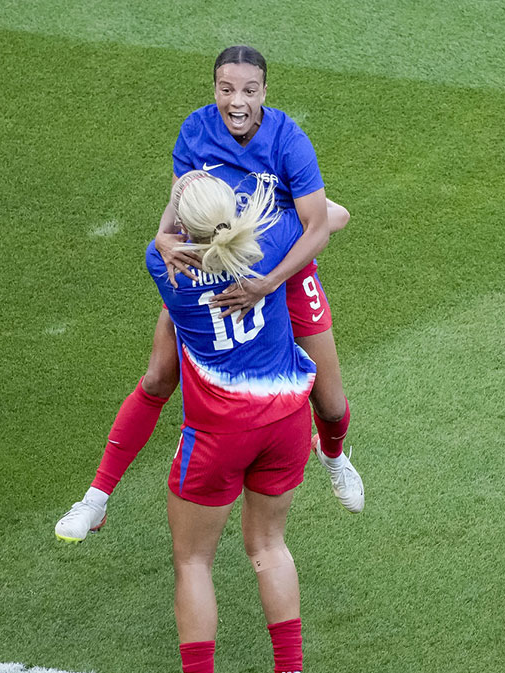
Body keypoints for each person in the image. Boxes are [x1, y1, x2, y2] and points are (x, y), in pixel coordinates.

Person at [55, 45, 362, 543]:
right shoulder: (196, 130)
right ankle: (95, 499)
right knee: (157, 378)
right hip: (212, 269)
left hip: (281, 271)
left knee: (329, 402)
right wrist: (162, 235)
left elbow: (320, 226)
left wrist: (268, 282)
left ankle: (333, 456)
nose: (236, 101)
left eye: (248, 90)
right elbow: (181, 199)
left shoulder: (289, 140)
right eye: (226, 89)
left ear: (264, 91)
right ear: (214, 88)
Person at [156, 170, 312, 673]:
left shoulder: (165, 268)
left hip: (218, 433)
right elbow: (334, 218)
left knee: (193, 561)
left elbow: (166, 241)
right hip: (287, 419)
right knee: (269, 545)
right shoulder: (272, 238)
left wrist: (170, 216)